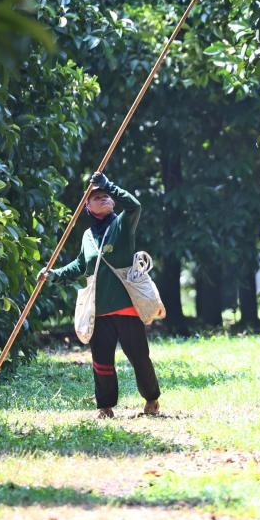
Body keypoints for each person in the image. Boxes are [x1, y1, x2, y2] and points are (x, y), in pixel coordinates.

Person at [40, 172, 161, 418]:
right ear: (87, 206)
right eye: (96, 197)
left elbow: (135, 205)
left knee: (139, 357)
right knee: (102, 362)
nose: (103, 197)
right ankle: (105, 407)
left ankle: (151, 399)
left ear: (113, 201)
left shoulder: (122, 224)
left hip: (127, 306)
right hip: (99, 310)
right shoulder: (87, 236)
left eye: (106, 195)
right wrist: (53, 274)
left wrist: (108, 184)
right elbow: (79, 265)